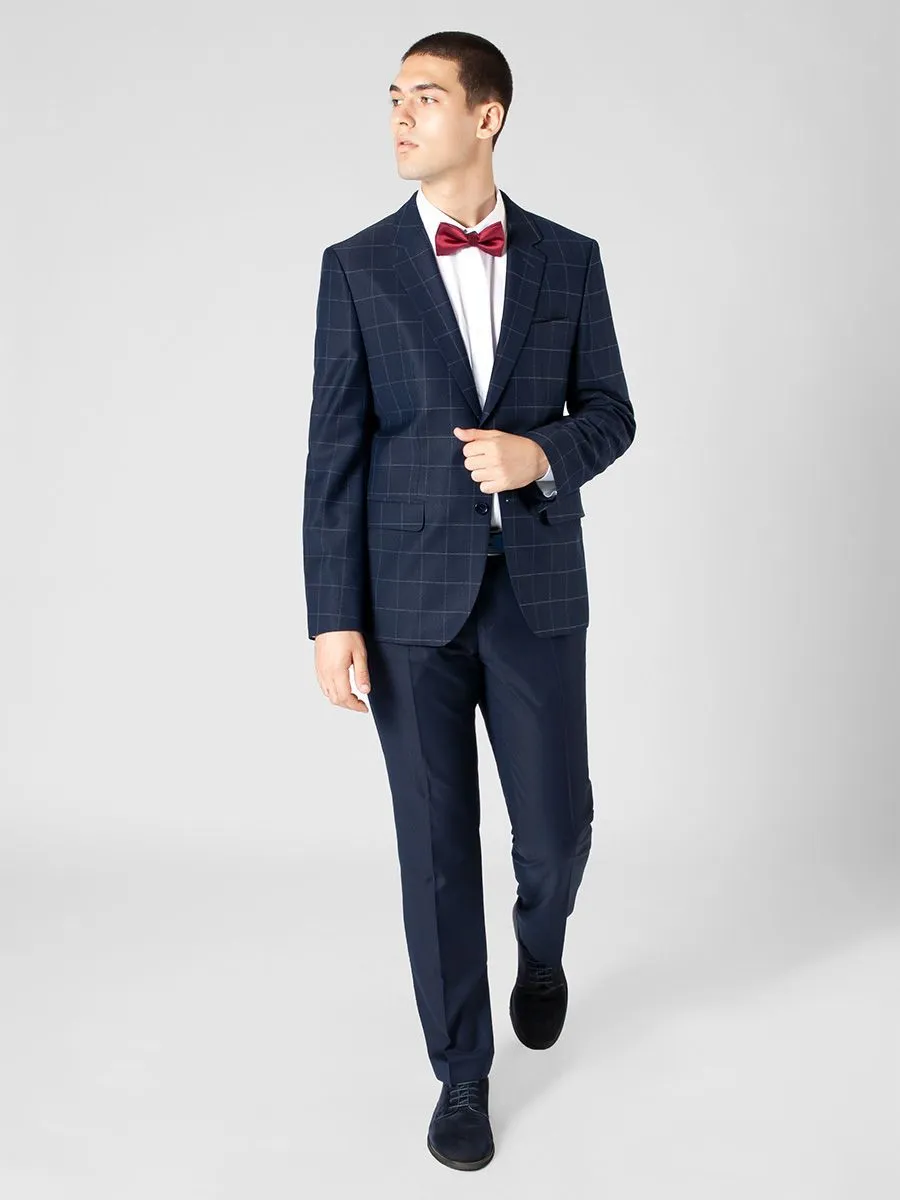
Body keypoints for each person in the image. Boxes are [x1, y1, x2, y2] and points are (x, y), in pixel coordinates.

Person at [302, 29, 636, 1171]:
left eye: (427, 96)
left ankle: (540, 949)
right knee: (436, 846)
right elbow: (334, 451)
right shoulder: (357, 266)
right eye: (393, 97)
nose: (400, 115)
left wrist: (539, 456)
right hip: (405, 603)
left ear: (486, 117)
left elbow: (611, 412)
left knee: (558, 831)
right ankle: (462, 1074)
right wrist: (332, 615)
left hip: (535, 591)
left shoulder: (569, 261)